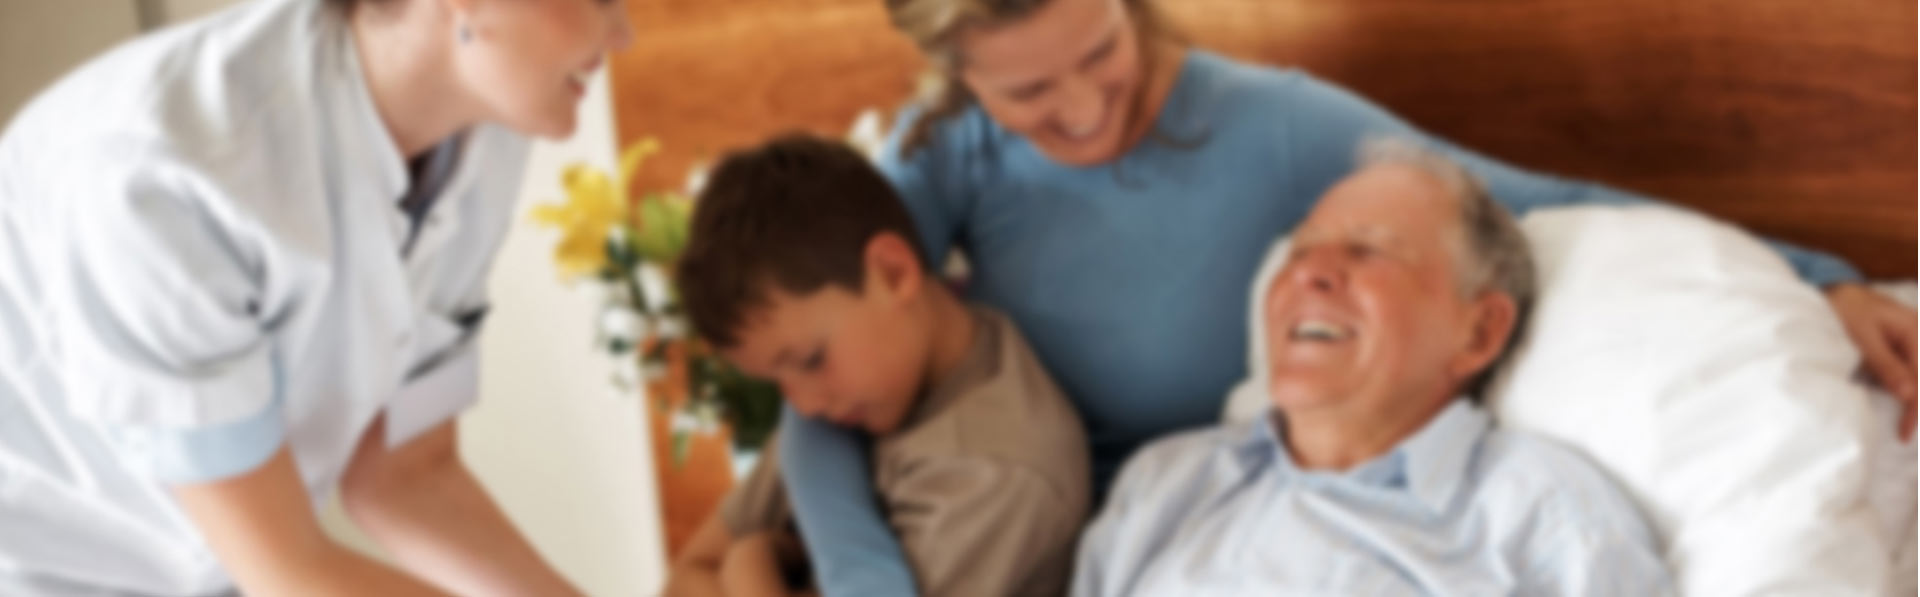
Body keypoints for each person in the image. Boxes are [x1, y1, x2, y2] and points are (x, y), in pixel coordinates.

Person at [772, 0, 1920, 593]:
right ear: (958, 77)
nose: (1083, 108)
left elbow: (1540, 199)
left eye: (1102, 49)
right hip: (1066, 550)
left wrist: (1820, 275)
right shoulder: (944, 158)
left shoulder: (1271, 127)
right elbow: (816, 385)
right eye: (1029, 91)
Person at [0, 0, 632, 594]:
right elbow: (286, 573)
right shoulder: (169, 175)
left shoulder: (482, 131)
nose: (624, 35)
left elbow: (407, 474)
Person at [1071, 139, 1672, 596]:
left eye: (1370, 250)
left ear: (1480, 331)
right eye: (1301, 250)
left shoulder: (1542, 513)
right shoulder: (1168, 481)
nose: (1309, 273)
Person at [663, 134, 1089, 597]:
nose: (803, 405)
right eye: (775, 382)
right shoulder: (847, 401)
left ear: (893, 273)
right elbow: (686, 575)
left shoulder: (997, 473)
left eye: (811, 360)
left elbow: (709, 569)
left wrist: (750, 559)